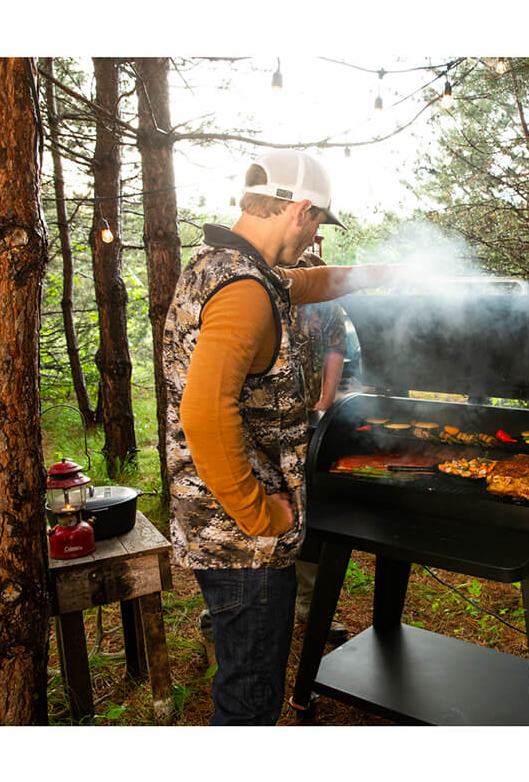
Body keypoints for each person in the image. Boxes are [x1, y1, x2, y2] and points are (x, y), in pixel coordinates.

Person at [163, 148, 399, 726]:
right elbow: (204, 413)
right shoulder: (243, 293)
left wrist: (374, 276)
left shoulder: (225, 266)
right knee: (251, 695)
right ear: (299, 209)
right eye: (317, 220)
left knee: (245, 675)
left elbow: (300, 283)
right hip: (245, 537)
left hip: (215, 520)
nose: (316, 234)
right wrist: (259, 512)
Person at [290, 250, 349, 644]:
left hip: (309, 420)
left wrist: (326, 401)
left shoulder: (328, 303)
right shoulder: (266, 294)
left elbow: (335, 347)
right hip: (264, 422)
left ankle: (310, 610)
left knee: (311, 513)